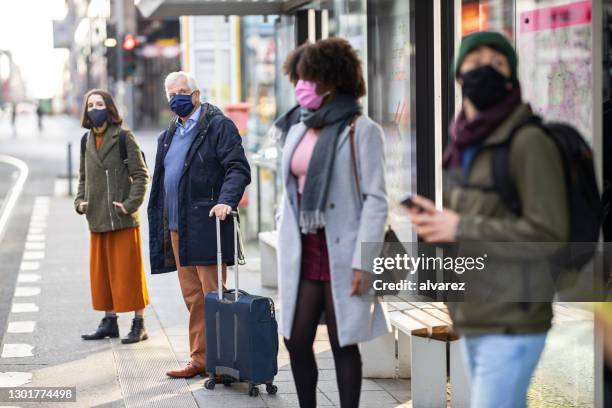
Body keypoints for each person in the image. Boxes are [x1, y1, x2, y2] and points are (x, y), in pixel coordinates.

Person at [406, 32, 569, 407]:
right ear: (458, 75)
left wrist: (460, 227)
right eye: (474, 61)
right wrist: (440, 224)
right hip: (475, 311)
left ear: (512, 77)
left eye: (496, 64)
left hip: (513, 317)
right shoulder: (463, 141)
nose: (484, 71)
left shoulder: (529, 141)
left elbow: (550, 234)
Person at [277, 39, 391, 408]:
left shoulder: (362, 129)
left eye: (309, 77)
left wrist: (365, 260)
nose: (301, 84)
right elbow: (290, 188)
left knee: (344, 342)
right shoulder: (296, 126)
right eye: (300, 76)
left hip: (344, 248)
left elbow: (376, 200)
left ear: (332, 80)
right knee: (295, 339)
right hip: (305, 247)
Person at [148, 71, 251, 379]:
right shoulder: (167, 136)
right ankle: (200, 359)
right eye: (171, 94)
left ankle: (223, 361)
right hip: (178, 228)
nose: (176, 98)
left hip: (208, 224)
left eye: (182, 91)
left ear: (196, 94)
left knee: (214, 295)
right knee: (193, 297)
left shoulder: (218, 127)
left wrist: (226, 200)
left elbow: (238, 168)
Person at [75, 89, 150, 344]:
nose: (94, 109)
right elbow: (83, 177)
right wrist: (79, 201)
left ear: (109, 108)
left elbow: (141, 174)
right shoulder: (86, 140)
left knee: (129, 273)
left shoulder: (123, 137)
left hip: (122, 218)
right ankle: (110, 321)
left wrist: (130, 205)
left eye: (99, 104)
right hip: (96, 218)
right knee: (103, 275)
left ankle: (139, 324)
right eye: (90, 105)